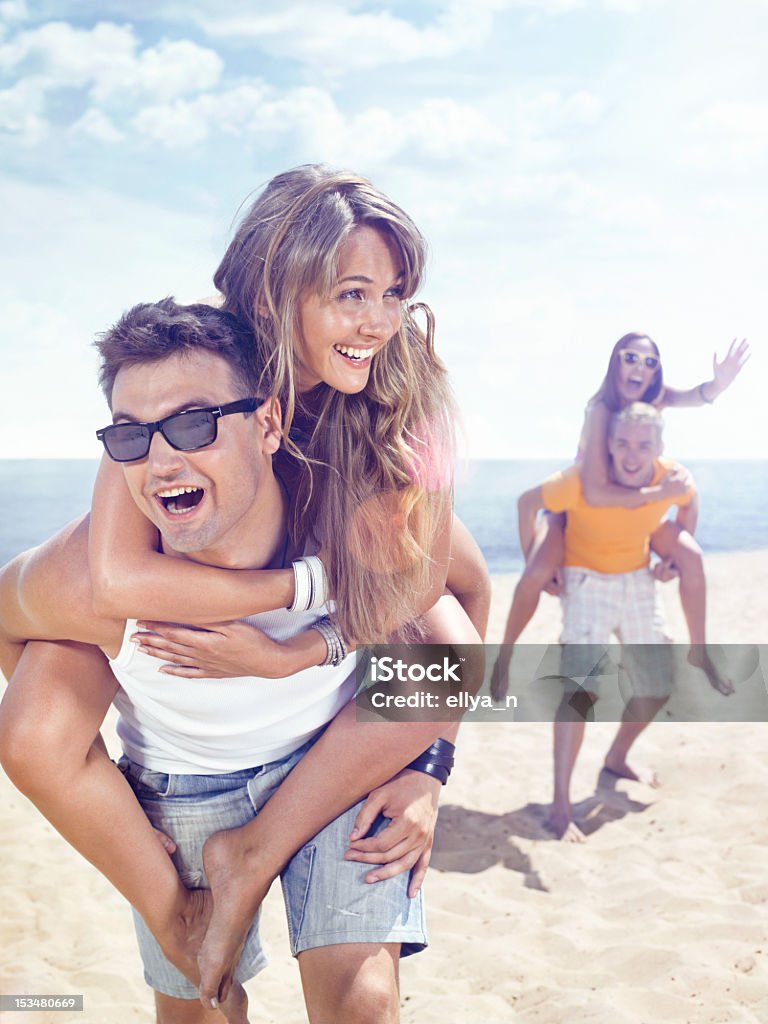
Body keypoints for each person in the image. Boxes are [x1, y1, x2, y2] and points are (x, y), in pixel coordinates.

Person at [0, 167, 488, 1012]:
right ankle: (187, 923)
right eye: (351, 293)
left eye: (396, 294)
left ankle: (255, 851)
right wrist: (297, 588)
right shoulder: (187, 391)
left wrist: (426, 769)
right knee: (42, 713)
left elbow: (464, 602)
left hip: (329, 733)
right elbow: (114, 579)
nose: (378, 320)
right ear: (277, 288)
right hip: (186, 755)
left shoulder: (399, 412)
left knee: (443, 647)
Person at [502, 403, 732, 842]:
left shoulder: (671, 476)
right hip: (586, 582)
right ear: (608, 445)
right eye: (622, 443)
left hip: (638, 581)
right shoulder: (581, 481)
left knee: (657, 685)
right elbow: (526, 503)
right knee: (580, 693)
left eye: (643, 445)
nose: (632, 453)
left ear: (659, 448)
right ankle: (562, 805)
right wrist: (537, 558)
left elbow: (690, 501)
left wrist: (674, 557)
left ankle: (617, 758)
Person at [490, 332, 749, 698]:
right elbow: (594, 492)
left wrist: (717, 385)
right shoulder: (602, 410)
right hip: (580, 508)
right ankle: (504, 658)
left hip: (632, 507)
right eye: (630, 357)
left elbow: (695, 396)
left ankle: (699, 651)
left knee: (690, 554)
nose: (639, 367)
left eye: (649, 362)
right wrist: (545, 561)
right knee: (533, 575)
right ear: (615, 362)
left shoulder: (653, 399)